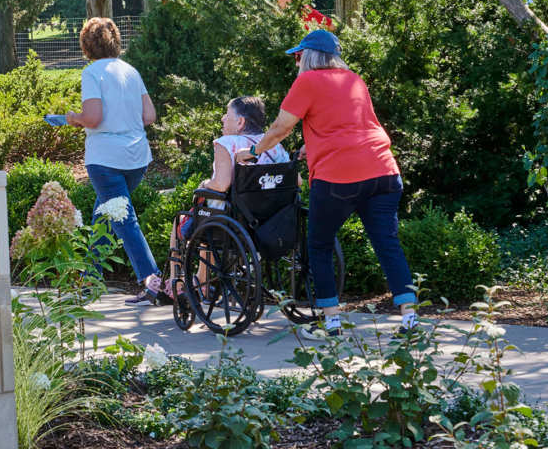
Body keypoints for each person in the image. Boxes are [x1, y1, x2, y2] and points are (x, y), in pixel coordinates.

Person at [234, 29, 417, 335]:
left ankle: (331, 324)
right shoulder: (354, 80)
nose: (296, 63)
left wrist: (252, 151)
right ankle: (410, 320)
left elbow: (280, 128)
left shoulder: (307, 81)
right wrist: (313, 146)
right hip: (384, 172)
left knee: (319, 247)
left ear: (309, 57)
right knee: (387, 244)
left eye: (297, 56)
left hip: (338, 178)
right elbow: (351, 125)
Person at [67, 17, 162, 306]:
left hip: (105, 158)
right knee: (105, 216)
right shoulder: (131, 71)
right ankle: (90, 282)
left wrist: (73, 119)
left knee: (123, 219)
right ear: (115, 40)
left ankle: (154, 282)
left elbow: (93, 118)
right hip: (137, 158)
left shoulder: (92, 72)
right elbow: (149, 117)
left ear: (87, 44)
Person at [166, 96, 290, 299]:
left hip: (233, 218)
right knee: (208, 218)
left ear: (240, 122)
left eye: (227, 114)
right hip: (272, 219)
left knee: (183, 219)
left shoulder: (226, 143)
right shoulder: (273, 145)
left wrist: (205, 184)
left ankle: (175, 282)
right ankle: (201, 278)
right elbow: (298, 181)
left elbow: (221, 184)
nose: (223, 119)